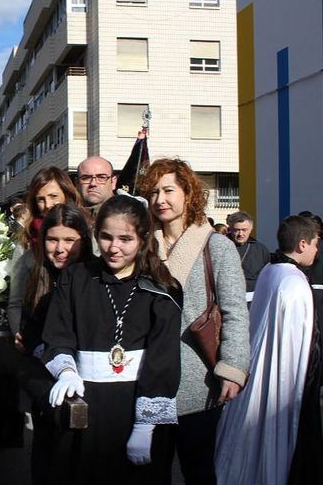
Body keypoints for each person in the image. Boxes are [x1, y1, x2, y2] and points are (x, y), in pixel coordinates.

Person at [42, 195, 182, 483]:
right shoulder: (76, 278)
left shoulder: (161, 288)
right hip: (87, 401)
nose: (114, 247)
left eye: (125, 239)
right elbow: (59, 332)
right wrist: (66, 371)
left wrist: (146, 424)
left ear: (142, 239)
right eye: (106, 237)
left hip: (137, 405)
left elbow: (163, 358)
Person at [138, 158, 250, 484]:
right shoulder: (143, 246)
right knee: (151, 470)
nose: (161, 199)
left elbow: (234, 312)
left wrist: (232, 367)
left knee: (198, 470)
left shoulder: (216, 246)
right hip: (152, 380)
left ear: (188, 192)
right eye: (154, 192)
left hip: (199, 381)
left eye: (169, 190)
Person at [215, 215, 321, 484]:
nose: (318, 250)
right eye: (316, 243)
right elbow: (301, 347)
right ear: (302, 244)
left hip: (257, 372)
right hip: (282, 384)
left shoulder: (269, 271)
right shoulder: (295, 283)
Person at [13, 203, 93, 485]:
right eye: (52, 239)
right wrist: (43, 351)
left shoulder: (96, 278)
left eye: (70, 240)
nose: (60, 249)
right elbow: (30, 333)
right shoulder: (38, 276)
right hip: (48, 389)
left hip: (89, 386)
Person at [6, 167, 83, 342]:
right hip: (38, 337)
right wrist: (19, 333)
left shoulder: (87, 231)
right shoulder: (25, 241)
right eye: (41, 199)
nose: (48, 205)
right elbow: (16, 300)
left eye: (53, 196)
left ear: (66, 194)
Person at [227, 211, 271, 298]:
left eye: (244, 230)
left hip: (254, 301)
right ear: (230, 229)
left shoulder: (260, 249)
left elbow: (268, 276)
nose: (240, 234)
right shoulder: (221, 247)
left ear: (251, 229)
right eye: (236, 230)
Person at [76, 156, 117, 221]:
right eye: (86, 178)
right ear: (77, 183)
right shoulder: (67, 218)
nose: (93, 183)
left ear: (113, 182)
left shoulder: (129, 215)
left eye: (101, 177)